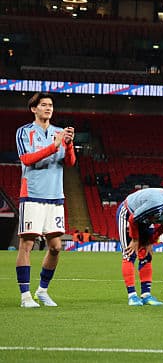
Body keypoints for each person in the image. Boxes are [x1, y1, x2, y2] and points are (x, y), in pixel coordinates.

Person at [15, 92, 76, 308]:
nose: (48, 108)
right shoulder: (24, 132)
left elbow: (69, 162)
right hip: (32, 194)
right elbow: (27, 159)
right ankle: (25, 296)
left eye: (50, 105)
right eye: (43, 105)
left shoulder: (58, 132)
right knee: (27, 244)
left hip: (55, 196)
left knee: (56, 246)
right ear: (34, 109)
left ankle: (42, 290)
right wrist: (54, 146)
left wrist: (67, 145)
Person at [118, 187, 163, 306]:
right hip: (129, 213)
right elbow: (133, 219)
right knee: (129, 254)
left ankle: (146, 295)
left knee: (146, 255)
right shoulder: (155, 205)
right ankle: (132, 296)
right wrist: (135, 240)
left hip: (147, 218)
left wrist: (150, 241)